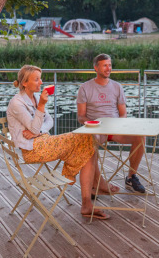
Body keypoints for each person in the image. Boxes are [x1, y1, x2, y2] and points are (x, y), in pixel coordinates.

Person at [6, 64, 110, 220]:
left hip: (43, 142)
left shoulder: (34, 97)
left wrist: (38, 131)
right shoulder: (17, 103)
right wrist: (41, 107)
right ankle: (86, 188)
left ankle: (87, 201)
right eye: (36, 79)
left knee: (88, 145)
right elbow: (34, 129)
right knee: (87, 139)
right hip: (33, 150)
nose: (41, 82)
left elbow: (49, 121)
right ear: (24, 83)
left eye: (40, 79)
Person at [77, 54, 146, 193]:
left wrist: (119, 124)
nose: (108, 68)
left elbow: (123, 113)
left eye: (109, 65)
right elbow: (81, 116)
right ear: (96, 68)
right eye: (104, 65)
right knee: (89, 143)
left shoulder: (117, 87)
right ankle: (95, 182)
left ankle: (131, 177)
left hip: (114, 129)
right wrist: (91, 123)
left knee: (141, 137)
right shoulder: (84, 88)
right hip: (96, 129)